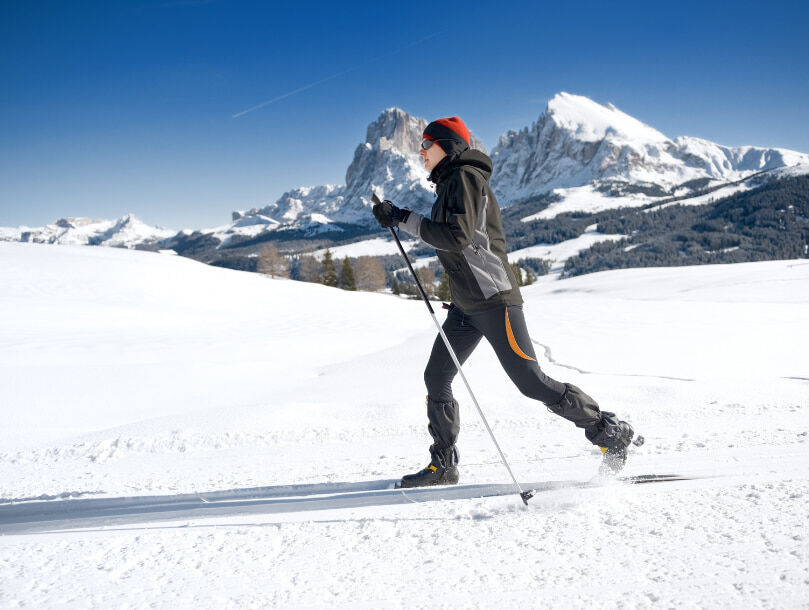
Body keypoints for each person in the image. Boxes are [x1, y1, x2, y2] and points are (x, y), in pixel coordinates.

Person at [373, 116, 636, 488]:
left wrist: (402, 217)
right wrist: (400, 219)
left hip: (495, 301)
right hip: (467, 306)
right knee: (437, 376)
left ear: (447, 146)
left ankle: (608, 430)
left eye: (427, 144)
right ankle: (444, 465)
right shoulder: (450, 182)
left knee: (531, 383)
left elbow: (457, 237)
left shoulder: (464, 178)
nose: (420, 151)